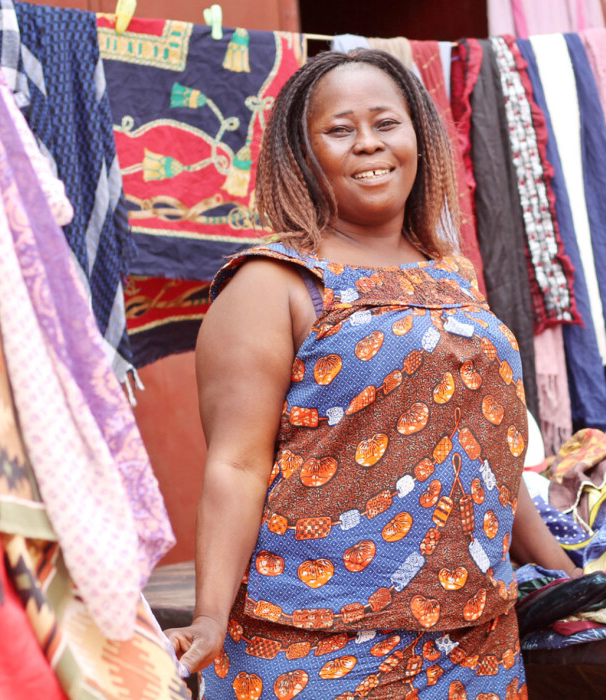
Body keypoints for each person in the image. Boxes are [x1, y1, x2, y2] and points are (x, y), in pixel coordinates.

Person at [167, 48, 580, 699]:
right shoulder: (272, 282)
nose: (367, 144)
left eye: (385, 123)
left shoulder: (453, 275)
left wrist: (568, 584)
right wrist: (211, 614)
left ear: (418, 136)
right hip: (317, 643)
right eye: (339, 130)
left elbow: (482, 451)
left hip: (475, 644)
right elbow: (235, 465)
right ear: (301, 155)